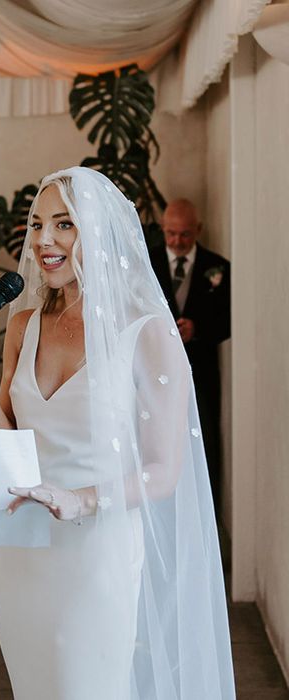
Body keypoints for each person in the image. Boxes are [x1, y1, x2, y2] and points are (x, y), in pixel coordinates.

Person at [0, 167, 234, 699]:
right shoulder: (24, 325)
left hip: (97, 550)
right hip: (22, 553)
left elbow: (164, 471)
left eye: (63, 224)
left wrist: (77, 500)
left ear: (99, 234)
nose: (43, 240)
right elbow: (6, 444)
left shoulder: (147, 333)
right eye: (35, 225)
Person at [149, 199, 230, 511]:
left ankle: (201, 508)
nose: (176, 241)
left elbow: (227, 320)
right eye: (170, 234)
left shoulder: (219, 267)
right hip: (155, 369)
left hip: (202, 370)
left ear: (198, 230)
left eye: (184, 235)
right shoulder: (149, 263)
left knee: (204, 437)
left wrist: (198, 329)